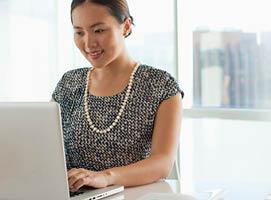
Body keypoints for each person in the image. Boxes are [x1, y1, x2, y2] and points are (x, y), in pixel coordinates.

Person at [51, 0, 183, 192]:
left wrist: (105, 177)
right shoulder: (69, 83)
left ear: (126, 26)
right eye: (79, 32)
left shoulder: (160, 86)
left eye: (99, 30)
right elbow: (45, 146)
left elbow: (162, 164)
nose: (88, 43)